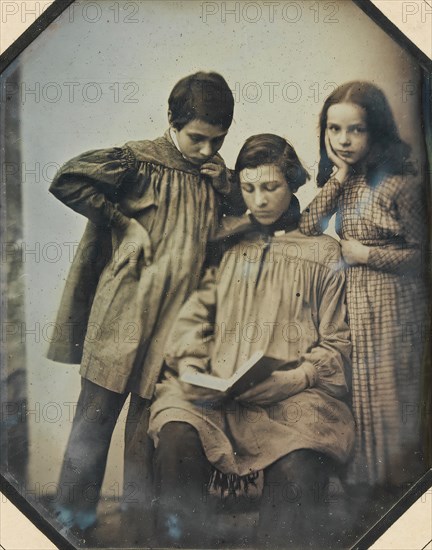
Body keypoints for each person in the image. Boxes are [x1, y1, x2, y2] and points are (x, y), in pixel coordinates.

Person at [47, 71, 242, 541]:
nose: (205, 150)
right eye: (197, 138)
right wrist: (123, 223)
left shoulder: (215, 178)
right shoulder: (138, 161)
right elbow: (67, 179)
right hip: (122, 318)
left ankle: (140, 533)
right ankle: (69, 529)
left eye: (217, 141)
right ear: (172, 119)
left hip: (172, 329)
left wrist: (227, 184)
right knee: (90, 430)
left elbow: (261, 215)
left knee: (144, 437)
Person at [149, 134, 355, 548]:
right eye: (248, 188)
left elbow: (339, 342)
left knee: (298, 466)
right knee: (174, 435)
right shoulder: (227, 247)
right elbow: (195, 323)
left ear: (294, 182)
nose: (258, 200)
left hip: (295, 397)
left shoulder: (324, 253)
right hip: (220, 396)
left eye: (270, 187)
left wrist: (296, 378)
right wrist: (196, 368)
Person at [299, 81, 428, 490]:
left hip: (396, 304)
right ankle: (372, 493)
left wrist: (367, 256)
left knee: (392, 397)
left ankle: (400, 495)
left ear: (378, 131)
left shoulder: (401, 185)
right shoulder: (349, 181)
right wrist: (338, 177)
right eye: (334, 129)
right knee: (363, 396)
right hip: (357, 303)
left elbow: (425, 257)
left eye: (356, 129)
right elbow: (307, 225)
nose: (343, 140)